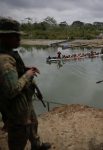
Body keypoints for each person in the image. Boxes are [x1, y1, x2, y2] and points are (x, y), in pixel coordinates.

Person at [0, 18, 51, 150]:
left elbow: (13, 71)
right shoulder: (4, 60)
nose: (19, 39)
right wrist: (27, 75)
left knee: (33, 124)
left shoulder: (8, 54)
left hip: (24, 103)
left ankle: (37, 145)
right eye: (15, 36)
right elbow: (11, 90)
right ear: (3, 37)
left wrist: (25, 69)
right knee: (19, 138)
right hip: (16, 110)